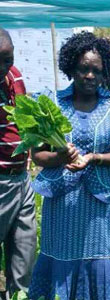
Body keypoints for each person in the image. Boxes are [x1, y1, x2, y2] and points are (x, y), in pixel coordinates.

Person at [28, 32, 110, 300]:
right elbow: (37, 155)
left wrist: (95, 157)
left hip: (102, 204)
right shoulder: (50, 104)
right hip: (63, 203)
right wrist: (60, 158)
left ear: (104, 73)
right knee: (63, 259)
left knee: (101, 259)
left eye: (96, 70)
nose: (89, 76)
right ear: (71, 68)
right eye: (83, 69)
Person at [0, 28, 36, 300]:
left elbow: (25, 121)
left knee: (24, 250)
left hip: (22, 177)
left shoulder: (16, 77)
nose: (3, 67)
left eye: (7, 58)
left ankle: (18, 296)